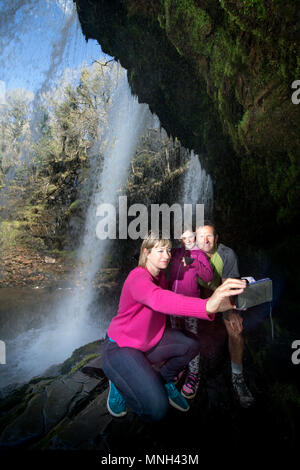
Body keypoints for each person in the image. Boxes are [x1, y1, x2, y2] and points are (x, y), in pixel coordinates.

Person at [101, 232, 246, 422]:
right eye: (160, 250)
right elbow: (157, 298)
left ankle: (165, 378)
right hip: (121, 347)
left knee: (191, 344)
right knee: (157, 408)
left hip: (148, 344)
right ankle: (119, 379)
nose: (167, 255)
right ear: (146, 252)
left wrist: (225, 305)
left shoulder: (161, 277)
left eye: (169, 250)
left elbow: (178, 295)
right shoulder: (137, 277)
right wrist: (206, 305)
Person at [196, 222, 254, 408]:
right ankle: (186, 371)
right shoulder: (188, 254)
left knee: (235, 328)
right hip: (197, 293)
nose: (205, 241)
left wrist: (231, 312)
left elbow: (227, 289)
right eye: (201, 237)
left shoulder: (226, 254)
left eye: (210, 236)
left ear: (217, 238)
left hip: (220, 292)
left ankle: (237, 377)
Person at [168, 227, 213, 399]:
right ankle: (179, 366)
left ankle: (194, 373)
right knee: (176, 335)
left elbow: (208, 276)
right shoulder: (177, 252)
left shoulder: (199, 255)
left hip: (190, 304)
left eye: (189, 237)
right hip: (173, 302)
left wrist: (193, 262)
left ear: (194, 237)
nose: (187, 240)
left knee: (191, 336)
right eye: (183, 238)